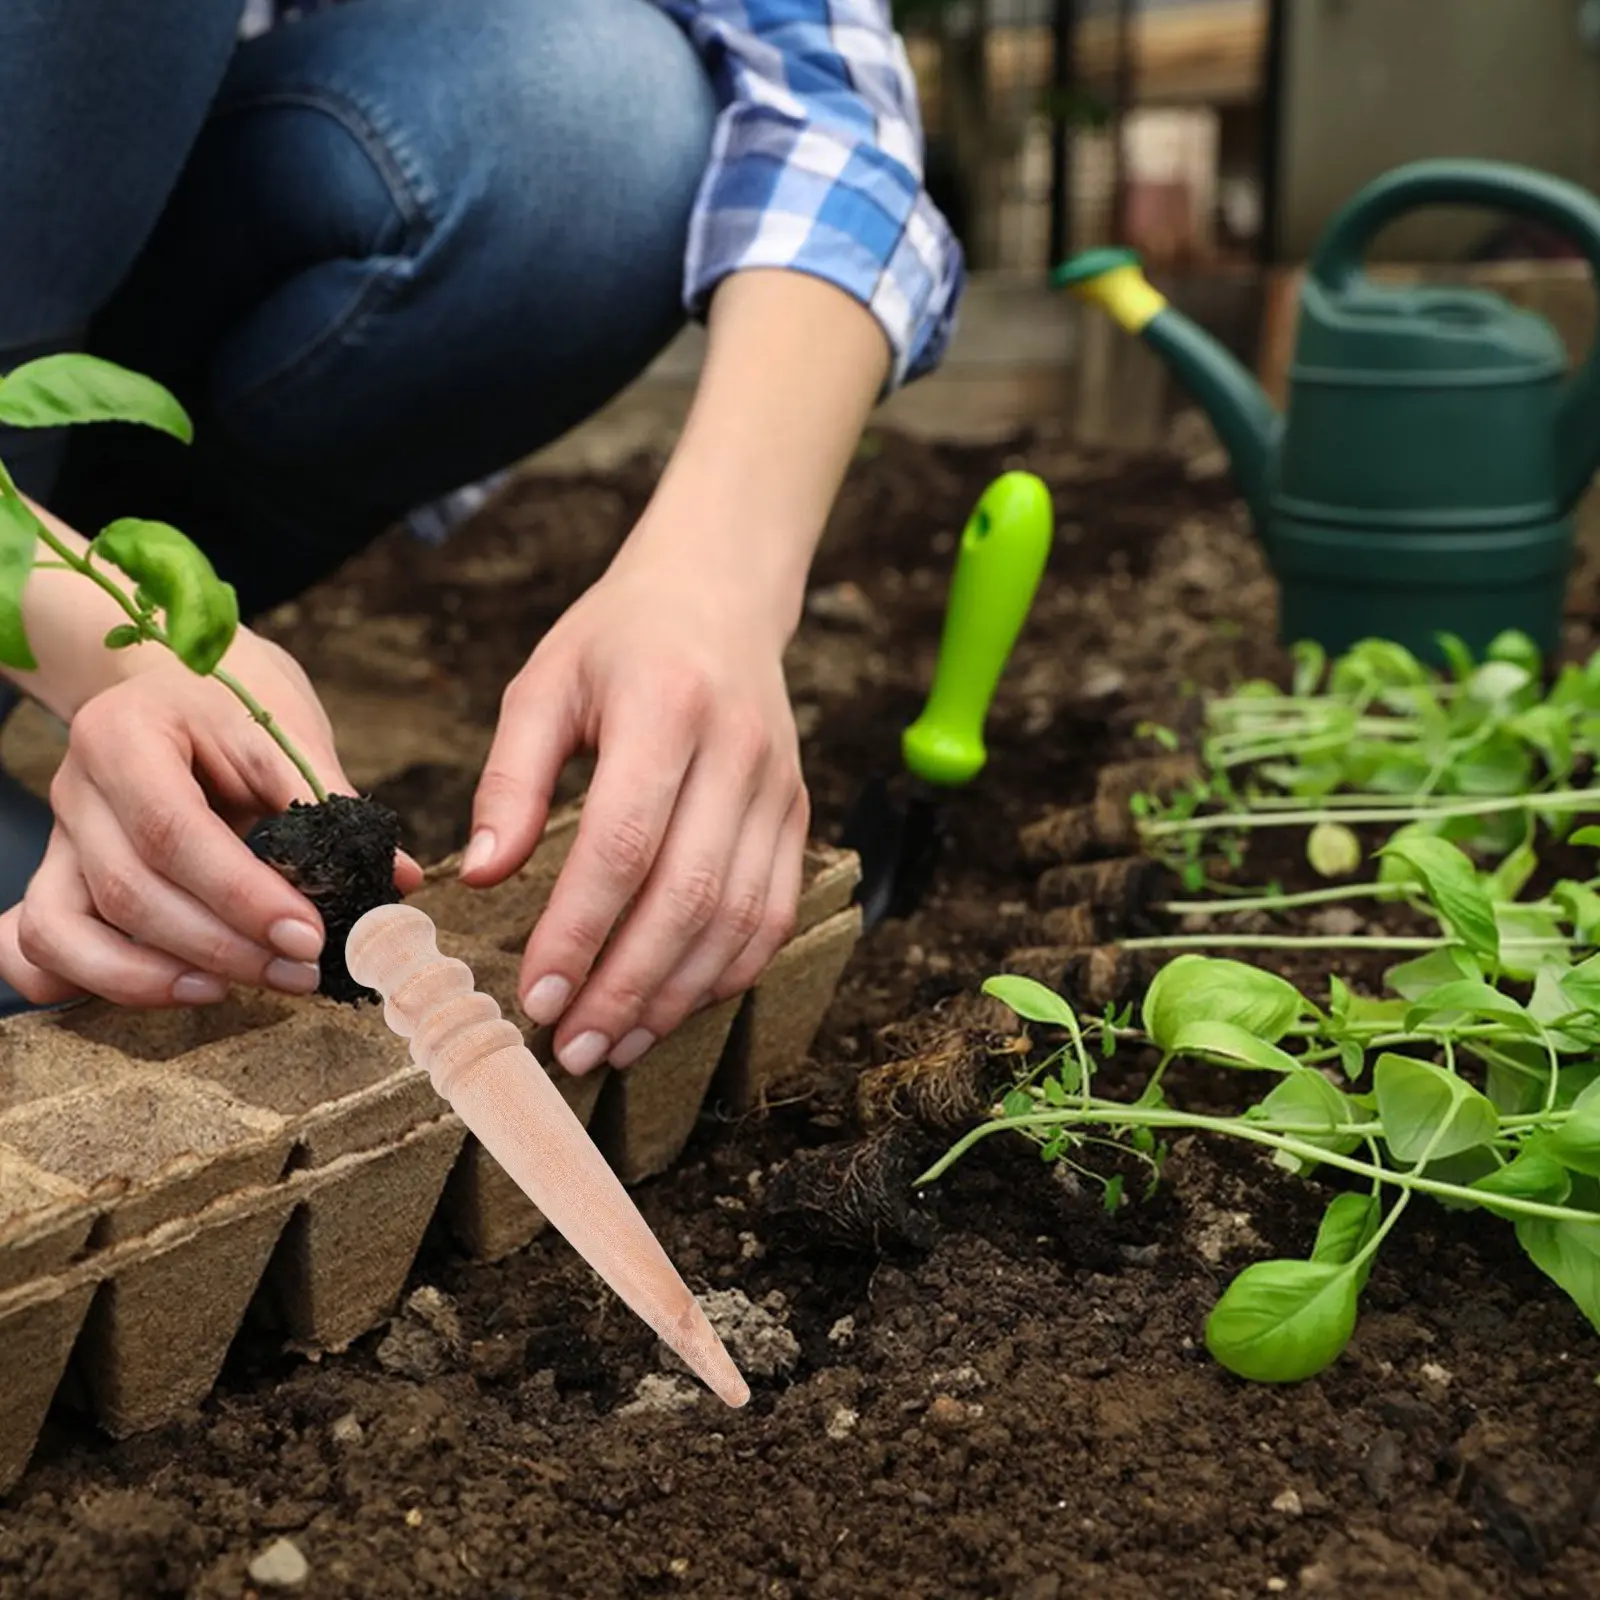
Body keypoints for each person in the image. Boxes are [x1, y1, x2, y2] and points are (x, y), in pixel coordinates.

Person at [0, 0, 964, 1077]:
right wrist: (87, 633)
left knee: (590, 114)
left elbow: (816, 79)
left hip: (139, 310)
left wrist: (720, 576)